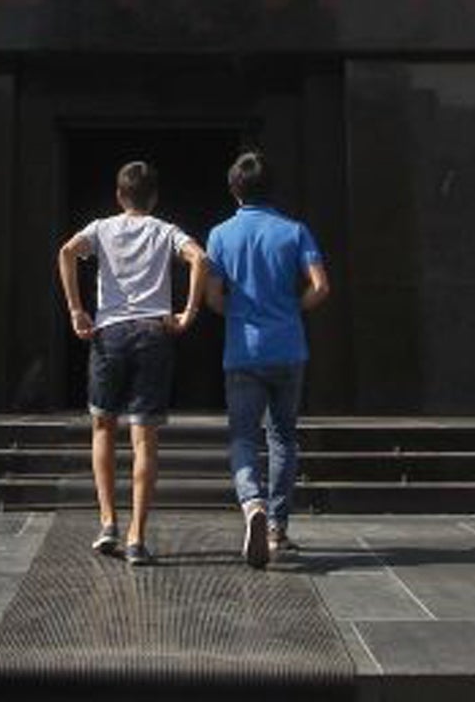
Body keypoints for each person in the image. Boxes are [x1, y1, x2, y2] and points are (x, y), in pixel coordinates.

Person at [56, 159, 206, 568]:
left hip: (111, 332)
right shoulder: (165, 230)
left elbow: (67, 252)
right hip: (153, 333)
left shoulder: (102, 228)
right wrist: (188, 312)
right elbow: (199, 258)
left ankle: (108, 522)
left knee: (103, 426)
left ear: (120, 196)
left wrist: (76, 310)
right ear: (154, 197)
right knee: (145, 439)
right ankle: (137, 536)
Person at [204, 149, 328, 569]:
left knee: (242, 436)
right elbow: (320, 287)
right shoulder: (295, 231)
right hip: (289, 348)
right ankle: (277, 527)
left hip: (243, 350)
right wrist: (294, 307)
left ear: (233, 189)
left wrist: (238, 314)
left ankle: (251, 501)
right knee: (282, 437)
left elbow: (212, 296)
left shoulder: (220, 235)